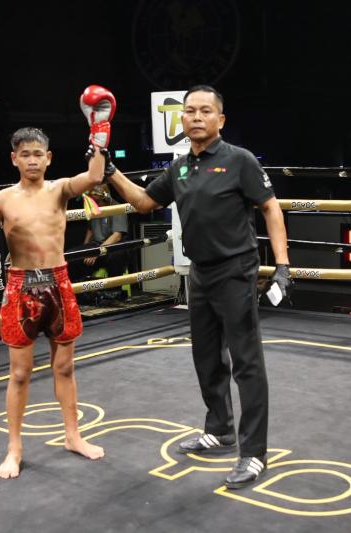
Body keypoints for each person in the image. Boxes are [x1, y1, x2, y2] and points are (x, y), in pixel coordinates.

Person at [105, 85, 292, 489]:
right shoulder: (179, 168)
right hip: (200, 273)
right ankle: (220, 429)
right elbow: (144, 202)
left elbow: (270, 208)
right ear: (182, 119)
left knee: (246, 362)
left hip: (236, 270)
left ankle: (254, 453)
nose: (196, 117)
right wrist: (110, 172)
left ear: (220, 119)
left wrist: (282, 266)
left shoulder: (239, 160)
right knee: (206, 357)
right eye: (190, 111)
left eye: (205, 111)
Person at [0, 85, 114, 479]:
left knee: (65, 368)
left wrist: (99, 132)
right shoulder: (1, 200)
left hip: (58, 283)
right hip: (21, 286)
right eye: (24, 154)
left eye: (38, 153)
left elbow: (95, 176)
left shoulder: (60, 189)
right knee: (19, 373)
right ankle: (14, 449)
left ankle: (73, 436)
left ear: (48, 158)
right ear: (14, 158)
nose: (32, 159)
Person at [66, 182, 129, 284]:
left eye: (93, 195)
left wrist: (98, 251)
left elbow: (117, 236)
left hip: (113, 246)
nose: (91, 197)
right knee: (72, 255)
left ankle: (114, 289)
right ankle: (78, 287)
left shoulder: (117, 207)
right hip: (96, 244)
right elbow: (90, 230)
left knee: (116, 256)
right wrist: (85, 249)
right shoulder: (92, 207)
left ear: (103, 194)